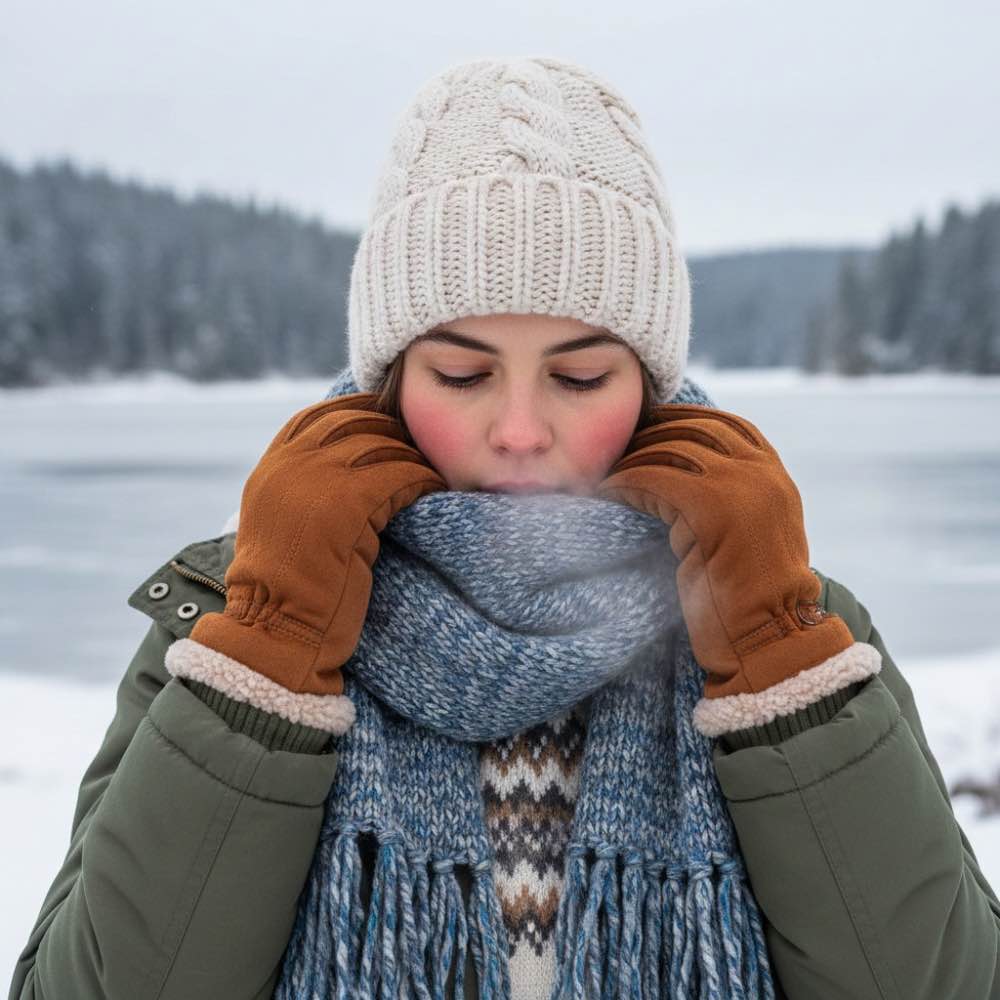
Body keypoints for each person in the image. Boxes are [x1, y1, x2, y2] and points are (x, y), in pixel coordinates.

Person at [9, 55, 1000, 1000]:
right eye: (461, 373)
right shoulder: (231, 620)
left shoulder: (791, 622)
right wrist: (271, 646)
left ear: (649, 388)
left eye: (579, 376)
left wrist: (778, 651)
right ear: (387, 380)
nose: (521, 430)